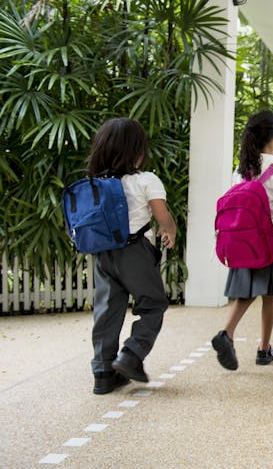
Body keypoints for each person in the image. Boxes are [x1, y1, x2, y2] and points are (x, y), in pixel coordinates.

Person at [87, 117, 177, 394]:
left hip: (102, 253)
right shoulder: (146, 180)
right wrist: (170, 231)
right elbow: (163, 218)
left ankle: (103, 374)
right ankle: (131, 355)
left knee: (107, 311)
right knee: (153, 305)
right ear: (137, 150)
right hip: (134, 252)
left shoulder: (94, 182)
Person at [211, 111, 273, 370]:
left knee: (246, 294)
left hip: (241, 241)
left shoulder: (241, 171)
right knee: (267, 296)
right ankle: (255, 345)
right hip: (268, 244)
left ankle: (243, 338)